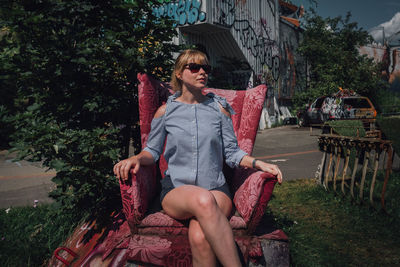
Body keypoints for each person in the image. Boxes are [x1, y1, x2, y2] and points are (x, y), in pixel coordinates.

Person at [113, 49, 283, 267]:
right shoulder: (165, 112)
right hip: (177, 191)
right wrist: (135, 158)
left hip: (216, 189)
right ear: (179, 74)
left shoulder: (219, 110)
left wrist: (260, 164)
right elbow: (152, 152)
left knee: (200, 236)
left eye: (206, 68)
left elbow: (232, 153)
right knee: (202, 200)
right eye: (194, 67)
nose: (202, 72)